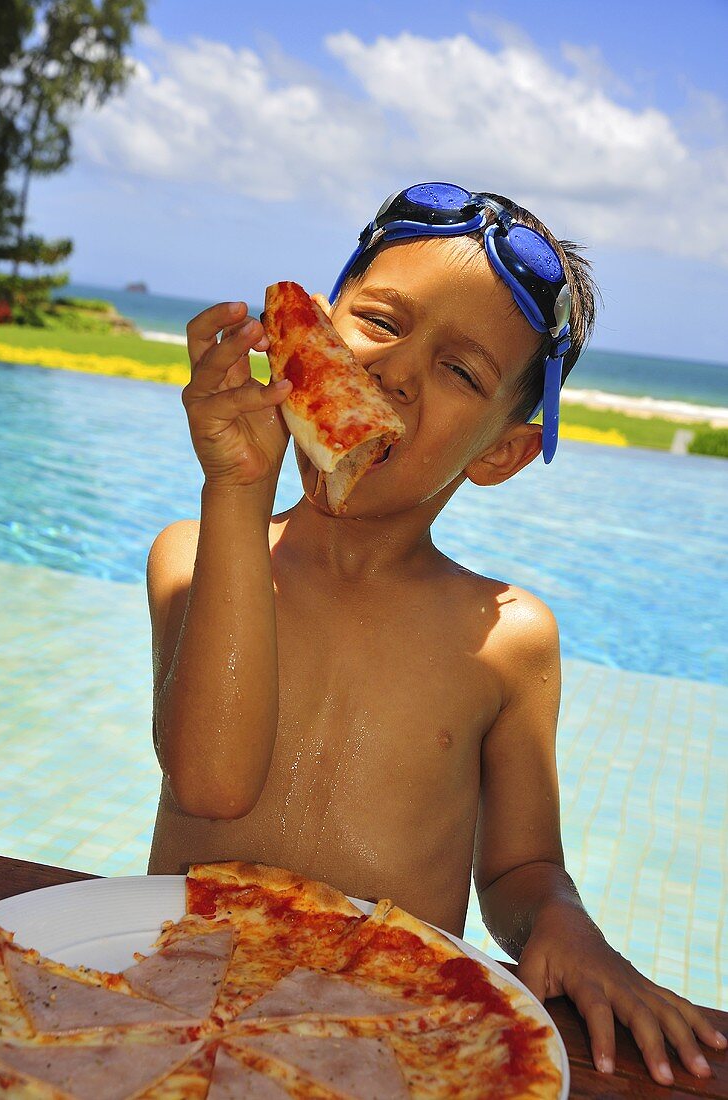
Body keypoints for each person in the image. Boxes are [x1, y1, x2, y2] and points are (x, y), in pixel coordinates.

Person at [146, 183, 725, 1086]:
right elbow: (211, 784)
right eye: (377, 322)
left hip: (381, 1044)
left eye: (460, 371)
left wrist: (565, 924)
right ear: (308, 335)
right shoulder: (191, 559)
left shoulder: (506, 640)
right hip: (177, 1019)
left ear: (500, 452)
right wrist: (234, 492)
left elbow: (522, 870)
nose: (395, 371)